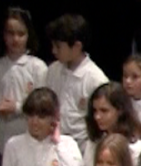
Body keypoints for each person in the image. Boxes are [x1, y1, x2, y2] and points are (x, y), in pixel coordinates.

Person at [0, 7, 48, 156]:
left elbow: (44, 103)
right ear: (3, 34)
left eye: (21, 34)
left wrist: (17, 107)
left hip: (31, 137)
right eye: (10, 33)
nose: (15, 39)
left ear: (28, 35)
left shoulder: (38, 67)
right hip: (0, 139)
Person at [45, 14, 108, 149]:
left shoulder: (95, 79)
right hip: (54, 144)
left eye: (58, 46)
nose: (53, 51)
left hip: (83, 148)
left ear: (77, 46)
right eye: (53, 45)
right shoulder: (53, 70)